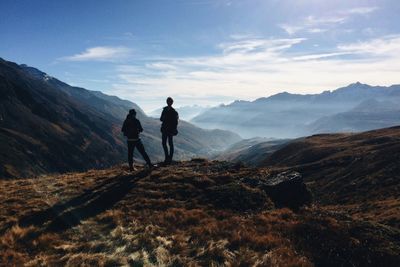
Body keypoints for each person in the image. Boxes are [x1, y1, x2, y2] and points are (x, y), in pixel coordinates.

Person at [160, 97, 179, 164]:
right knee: (167, 143)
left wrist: (165, 119)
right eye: (168, 101)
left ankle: (168, 158)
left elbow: (161, 119)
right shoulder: (173, 111)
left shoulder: (166, 110)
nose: (169, 103)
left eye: (169, 102)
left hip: (167, 129)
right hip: (168, 129)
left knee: (167, 143)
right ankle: (168, 158)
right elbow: (161, 118)